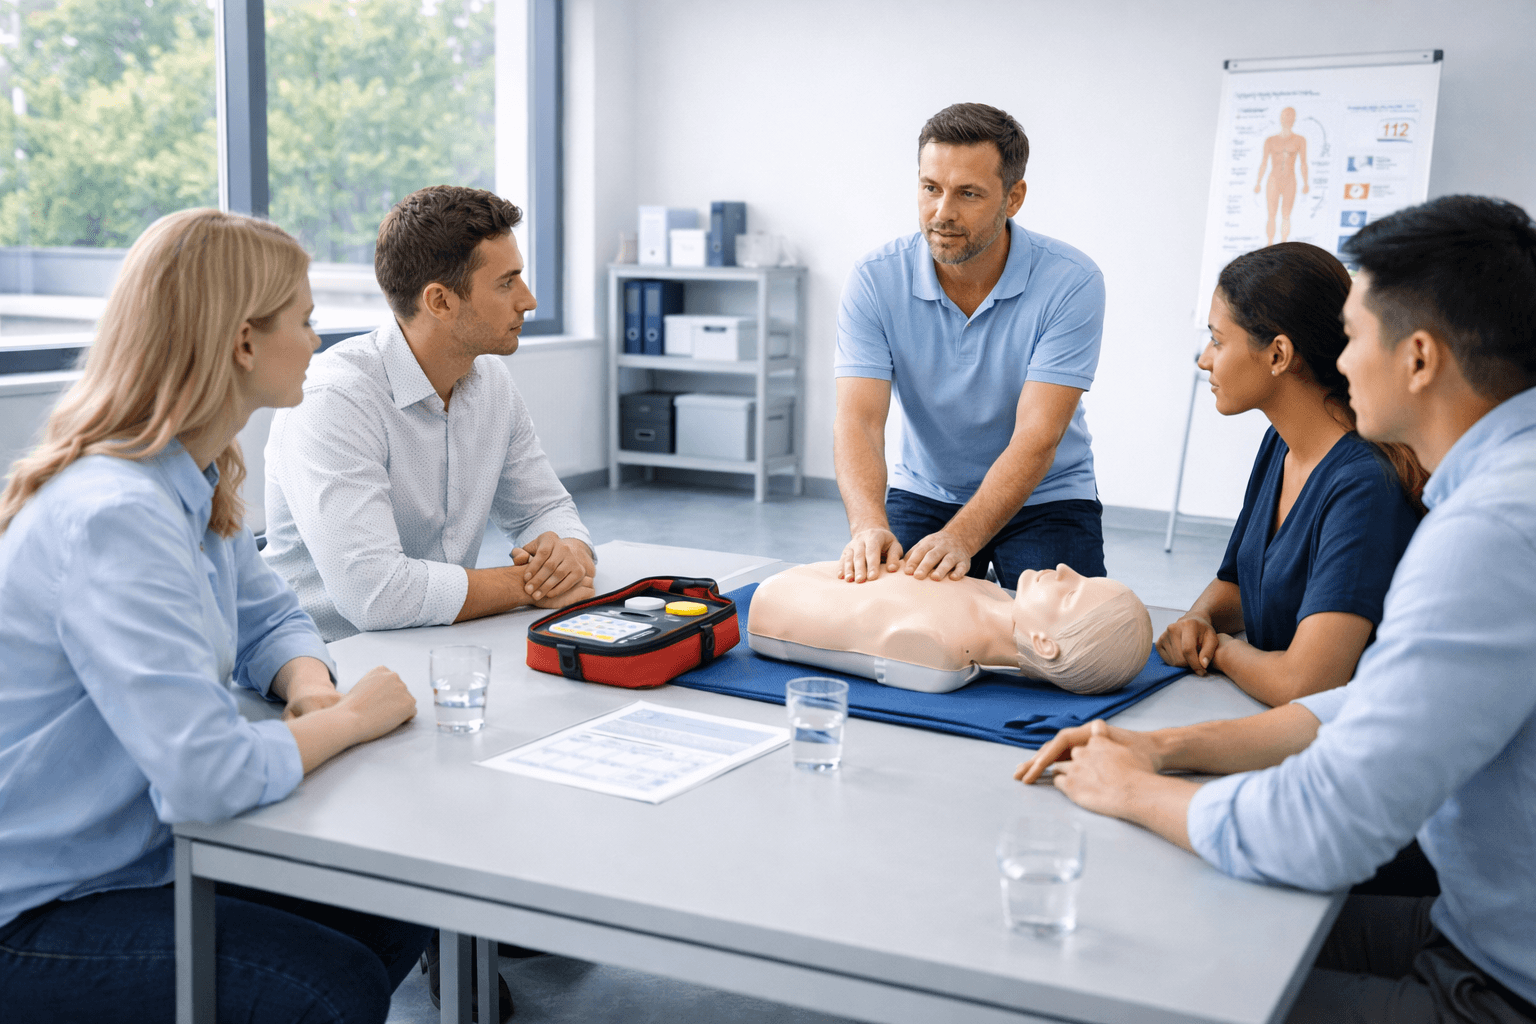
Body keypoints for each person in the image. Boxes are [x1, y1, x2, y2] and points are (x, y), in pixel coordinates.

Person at [1016, 195, 1536, 1024]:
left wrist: (1135, 791)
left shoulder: (1489, 531)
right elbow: (1362, 704)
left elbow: (1321, 824)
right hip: (1470, 930)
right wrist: (1164, 748)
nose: (1344, 355)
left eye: (1357, 334)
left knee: (1159, 982)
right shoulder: (1501, 491)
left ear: (1421, 358)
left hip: (1498, 988)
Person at [0, 209, 427, 1022]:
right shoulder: (116, 514)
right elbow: (207, 774)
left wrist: (308, 687)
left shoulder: (190, 478)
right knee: (330, 987)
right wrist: (351, 721)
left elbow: (270, 620)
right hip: (36, 906)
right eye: (303, 319)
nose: (317, 337)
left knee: (395, 893)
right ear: (242, 343)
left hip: (135, 857)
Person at [263, 184, 595, 642]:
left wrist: (569, 553)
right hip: (324, 663)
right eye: (506, 282)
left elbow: (544, 509)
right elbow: (374, 595)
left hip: (439, 639)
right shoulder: (334, 400)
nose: (529, 299)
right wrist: (529, 584)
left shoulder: (490, 380)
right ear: (440, 301)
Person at [834, 102, 1107, 588]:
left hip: (1046, 495)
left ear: (1014, 197)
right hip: (927, 490)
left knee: (1060, 647)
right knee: (892, 630)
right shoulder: (875, 279)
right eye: (930, 188)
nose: (943, 213)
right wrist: (869, 525)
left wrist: (962, 537)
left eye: (968, 194)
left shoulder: (1071, 281)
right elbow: (859, 418)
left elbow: (1037, 436)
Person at [1156, 243, 1424, 706]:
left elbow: (1305, 684)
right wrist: (1198, 619)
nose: (1204, 359)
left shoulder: (1363, 485)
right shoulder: (1280, 444)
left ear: (1278, 354)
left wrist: (1221, 651)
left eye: (1218, 341)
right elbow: (1243, 583)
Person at [750, 561, 1151, 694]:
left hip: (777, 601)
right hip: (811, 579)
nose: (1064, 569)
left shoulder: (939, 647)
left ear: (1044, 643)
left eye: (1072, 593)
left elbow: (772, 601)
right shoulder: (994, 595)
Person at [1254, 106, 1309, 245]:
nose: (1287, 119)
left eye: (1290, 116)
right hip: (1274, 179)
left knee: (1286, 214)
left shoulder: (1299, 140)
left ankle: (1283, 243)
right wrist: (1258, 182)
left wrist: (1306, 182)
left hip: (1290, 179)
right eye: (1285, 116)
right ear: (1280, 118)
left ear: (1294, 119)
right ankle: (1270, 243)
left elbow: (1303, 163)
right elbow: (1264, 162)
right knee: (1271, 213)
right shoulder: (1270, 140)